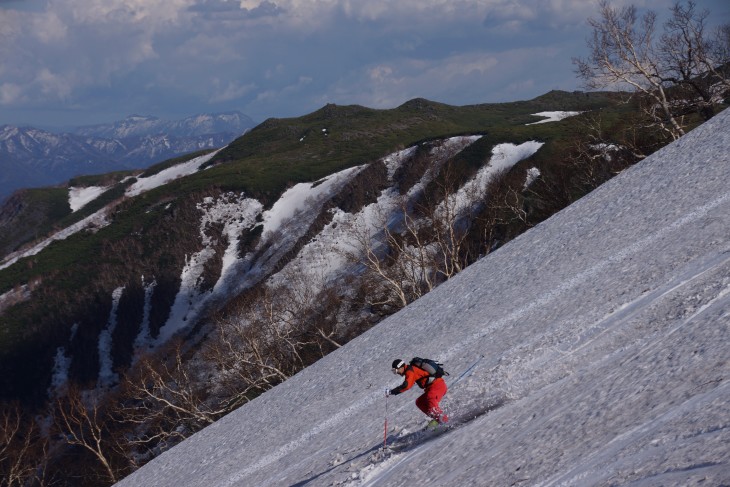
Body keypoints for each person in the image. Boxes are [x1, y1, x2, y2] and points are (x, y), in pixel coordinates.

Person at [388, 358, 448, 425]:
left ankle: (445, 421)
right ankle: (437, 419)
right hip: (432, 387)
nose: (396, 373)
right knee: (420, 402)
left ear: (401, 367)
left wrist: (391, 392)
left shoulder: (410, 371)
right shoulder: (410, 371)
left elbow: (406, 385)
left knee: (430, 398)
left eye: (396, 370)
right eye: (394, 371)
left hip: (437, 385)